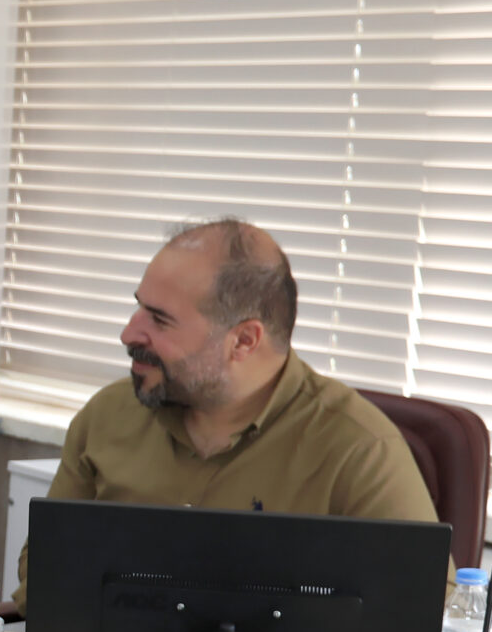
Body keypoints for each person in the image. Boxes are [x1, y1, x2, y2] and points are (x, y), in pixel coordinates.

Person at [23, 218, 436, 598]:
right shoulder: (109, 415)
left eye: (159, 320)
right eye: (139, 307)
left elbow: (426, 611)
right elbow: (43, 570)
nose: (129, 333)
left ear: (244, 341)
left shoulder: (358, 449)